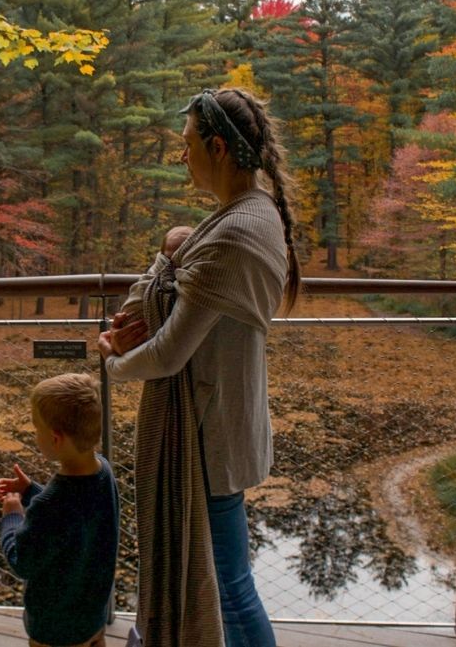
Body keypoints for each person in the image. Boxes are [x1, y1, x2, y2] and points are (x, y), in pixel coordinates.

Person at [98, 88, 301, 647]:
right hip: (220, 424)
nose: (180, 156)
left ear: (217, 146)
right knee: (224, 580)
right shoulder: (243, 216)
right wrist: (169, 252)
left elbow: (167, 354)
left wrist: (112, 361)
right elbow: (171, 299)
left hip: (209, 437)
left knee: (231, 585)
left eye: (187, 145)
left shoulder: (234, 233)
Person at [0, 373, 120, 647]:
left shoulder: (49, 505)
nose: (35, 435)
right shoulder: (103, 472)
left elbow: (21, 561)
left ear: (55, 438)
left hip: (54, 630)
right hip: (92, 616)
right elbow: (76, 517)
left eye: (36, 428)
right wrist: (30, 490)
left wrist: (12, 516)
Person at [120, 225, 195, 326]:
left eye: (184, 258)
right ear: (162, 258)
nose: (177, 266)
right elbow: (126, 324)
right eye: (170, 259)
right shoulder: (146, 286)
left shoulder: (211, 289)